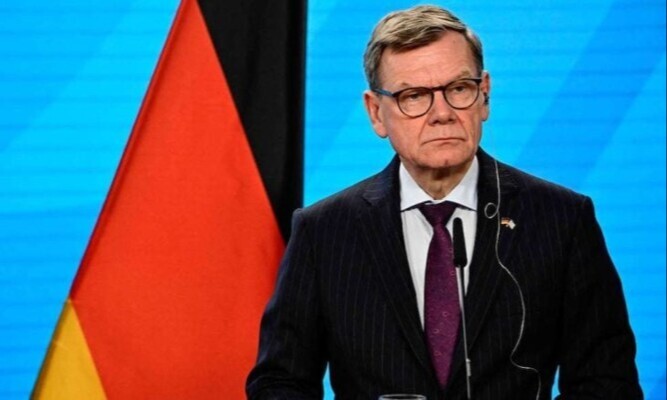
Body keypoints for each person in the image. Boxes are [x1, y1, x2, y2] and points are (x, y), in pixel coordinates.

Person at [246, 5, 642, 399]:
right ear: (376, 112)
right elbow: (280, 382)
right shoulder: (324, 231)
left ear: (484, 95)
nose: (442, 113)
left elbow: (607, 382)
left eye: (459, 89)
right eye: (414, 96)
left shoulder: (561, 220)